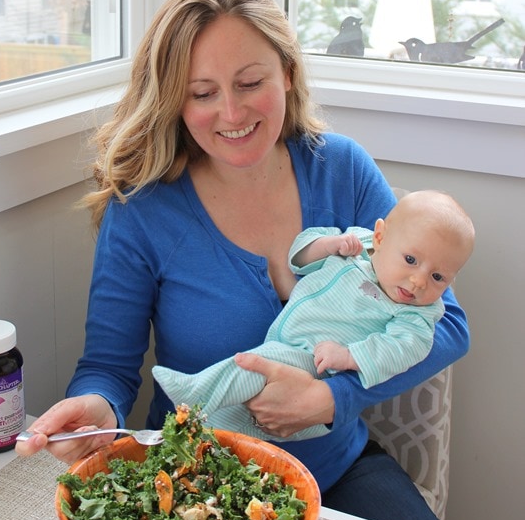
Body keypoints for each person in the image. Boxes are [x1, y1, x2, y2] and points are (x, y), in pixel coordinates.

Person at [16, 0, 470, 520]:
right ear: (175, 101)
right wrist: (99, 408)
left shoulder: (342, 169)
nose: (231, 112)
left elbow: (448, 326)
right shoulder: (143, 210)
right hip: (196, 478)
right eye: (202, 93)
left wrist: (332, 399)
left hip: (336, 472)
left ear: (288, 73)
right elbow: (109, 367)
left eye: (251, 82)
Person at [152, 189, 474, 442]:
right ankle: (203, 430)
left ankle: (193, 393)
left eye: (438, 277)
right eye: (410, 260)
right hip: (289, 346)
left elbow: (401, 350)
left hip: (315, 369)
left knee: (248, 366)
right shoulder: (356, 244)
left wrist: (349, 356)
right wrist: (328, 245)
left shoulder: (416, 316)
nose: (418, 281)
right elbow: (299, 258)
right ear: (380, 237)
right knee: (234, 419)